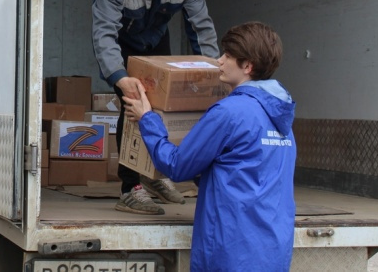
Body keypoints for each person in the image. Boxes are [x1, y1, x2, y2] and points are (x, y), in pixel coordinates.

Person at [124, 21, 296, 271]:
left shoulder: (230, 112)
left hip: (231, 250)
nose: (219, 61)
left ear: (247, 66)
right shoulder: (282, 118)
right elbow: (246, 172)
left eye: (228, 56)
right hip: (272, 249)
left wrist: (147, 118)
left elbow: (177, 165)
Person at [91, 0, 219, 215]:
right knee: (135, 107)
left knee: (166, 107)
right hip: (123, 47)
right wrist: (119, 76)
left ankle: (155, 176)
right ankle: (130, 188)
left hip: (157, 43)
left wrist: (214, 72)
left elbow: (200, 27)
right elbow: (104, 34)